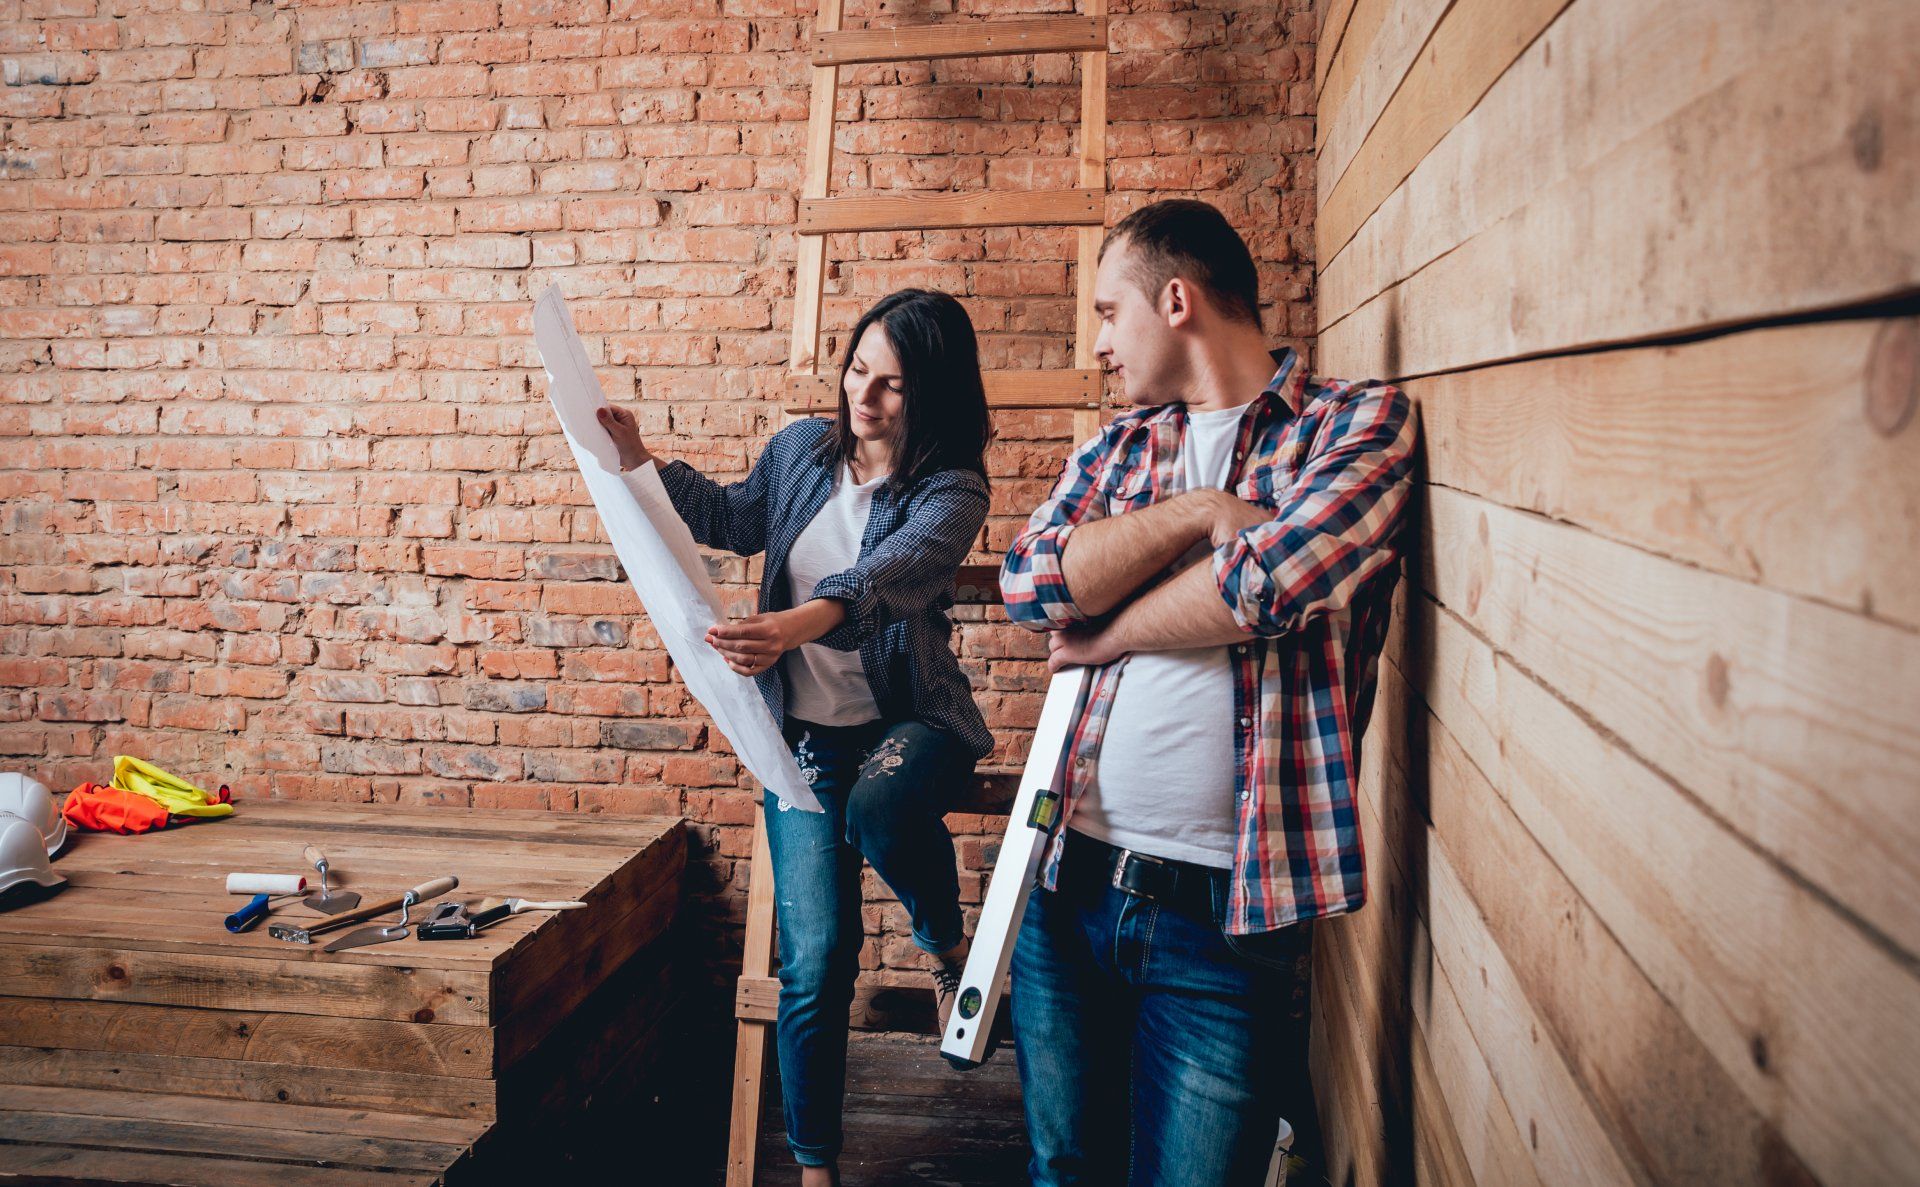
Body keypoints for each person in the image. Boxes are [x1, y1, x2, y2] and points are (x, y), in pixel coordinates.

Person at [999, 199, 1415, 1186]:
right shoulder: (1122, 450)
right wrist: (1193, 512)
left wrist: (1108, 628)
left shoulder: (1354, 424)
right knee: (1065, 1170)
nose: (1100, 342)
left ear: (1175, 299)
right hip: (1068, 889)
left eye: (1109, 312)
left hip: (1229, 922)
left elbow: (1270, 583)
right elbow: (1029, 579)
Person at [597, 288, 994, 1187]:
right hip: (806, 734)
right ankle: (817, 1167)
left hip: (909, 719)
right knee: (813, 962)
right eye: (859, 369)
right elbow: (735, 519)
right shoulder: (799, 453)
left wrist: (792, 625)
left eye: (893, 384)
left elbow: (886, 578)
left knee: (882, 802)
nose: (867, 396)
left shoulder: (952, 487)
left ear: (929, 394)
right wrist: (639, 461)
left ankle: (943, 945)